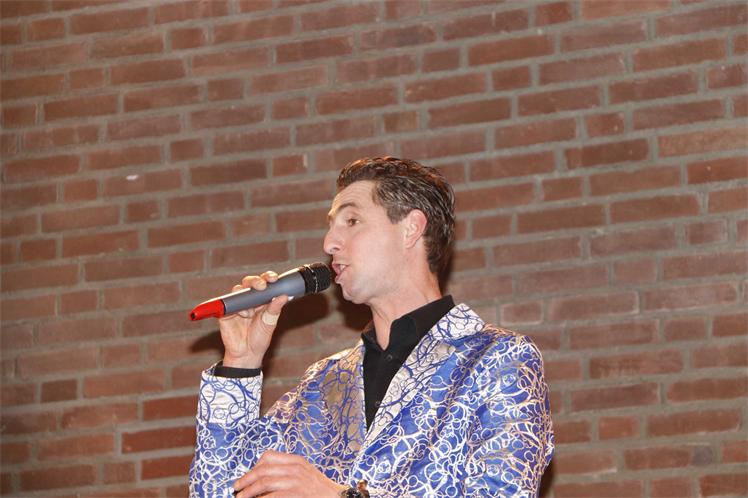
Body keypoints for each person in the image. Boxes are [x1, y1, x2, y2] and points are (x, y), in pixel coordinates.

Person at [189, 157, 554, 497]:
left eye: (351, 221)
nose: (329, 243)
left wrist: (336, 495)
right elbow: (219, 490)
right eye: (330, 226)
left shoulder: (496, 359)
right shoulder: (323, 383)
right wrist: (241, 362)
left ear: (411, 228)